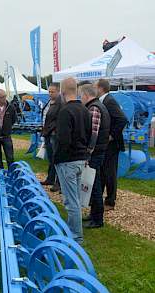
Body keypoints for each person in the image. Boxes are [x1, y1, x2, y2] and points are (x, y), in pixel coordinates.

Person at [55, 77, 92, 244]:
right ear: (76, 91)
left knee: (71, 201)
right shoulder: (85, 110)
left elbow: (63, 140)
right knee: (75, 198)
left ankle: (76, 236)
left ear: (62, 92)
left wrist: (57, 159)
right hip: (80, 158)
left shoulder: (65, 112)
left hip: (67, 161)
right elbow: (90, 134)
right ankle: (74, 230)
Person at [79, 84, 110, 228]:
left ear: (86, 95)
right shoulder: (97, 105)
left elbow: (93, 133)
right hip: (99, 150)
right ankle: (94, 215)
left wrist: (88, 151)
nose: (80, 98)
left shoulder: (94, 108)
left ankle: (98, 219)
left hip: (95, 152)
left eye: (80, 95)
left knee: (95, 186)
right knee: (93, 184)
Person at [96, 79, 128, 210]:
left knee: (110, 173)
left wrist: (111, 135)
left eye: (94, 87)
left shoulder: (109, 101)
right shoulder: (104, 101)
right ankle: (100, 199)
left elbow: (122, 119)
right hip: (106, 144)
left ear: (100, 88)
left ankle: (110, 201)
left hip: (112, 145)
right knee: (103, 171)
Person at [40, 82, 63, 192]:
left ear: (58, 91)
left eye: (52, 91)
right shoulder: (50, 102)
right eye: (49, 91)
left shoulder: (61, 103)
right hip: (48, 133)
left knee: (57, 159)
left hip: (54, 134)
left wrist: (53, 130)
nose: (50, 93)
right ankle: (50, 178)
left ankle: (58, 182)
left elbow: (59, 119)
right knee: (50, 158)